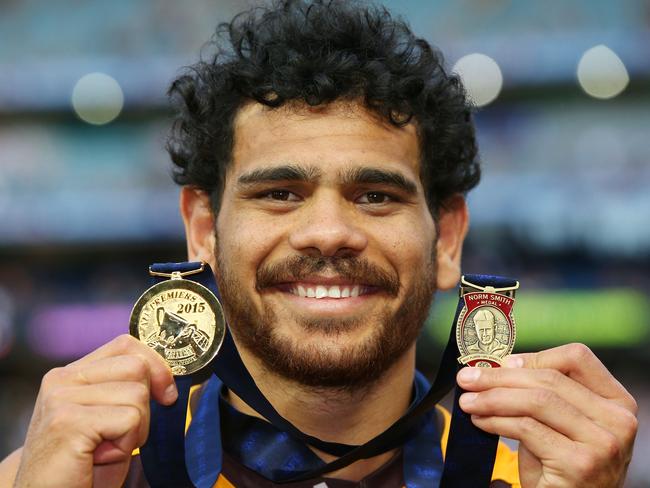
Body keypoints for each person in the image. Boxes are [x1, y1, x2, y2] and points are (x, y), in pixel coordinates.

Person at [0, 0, 638, 486]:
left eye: (376, 196)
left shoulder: (545, 471)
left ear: (447, 239)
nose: (329, 232)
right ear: (202, 231)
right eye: (278, 192)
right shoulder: (72, 471)